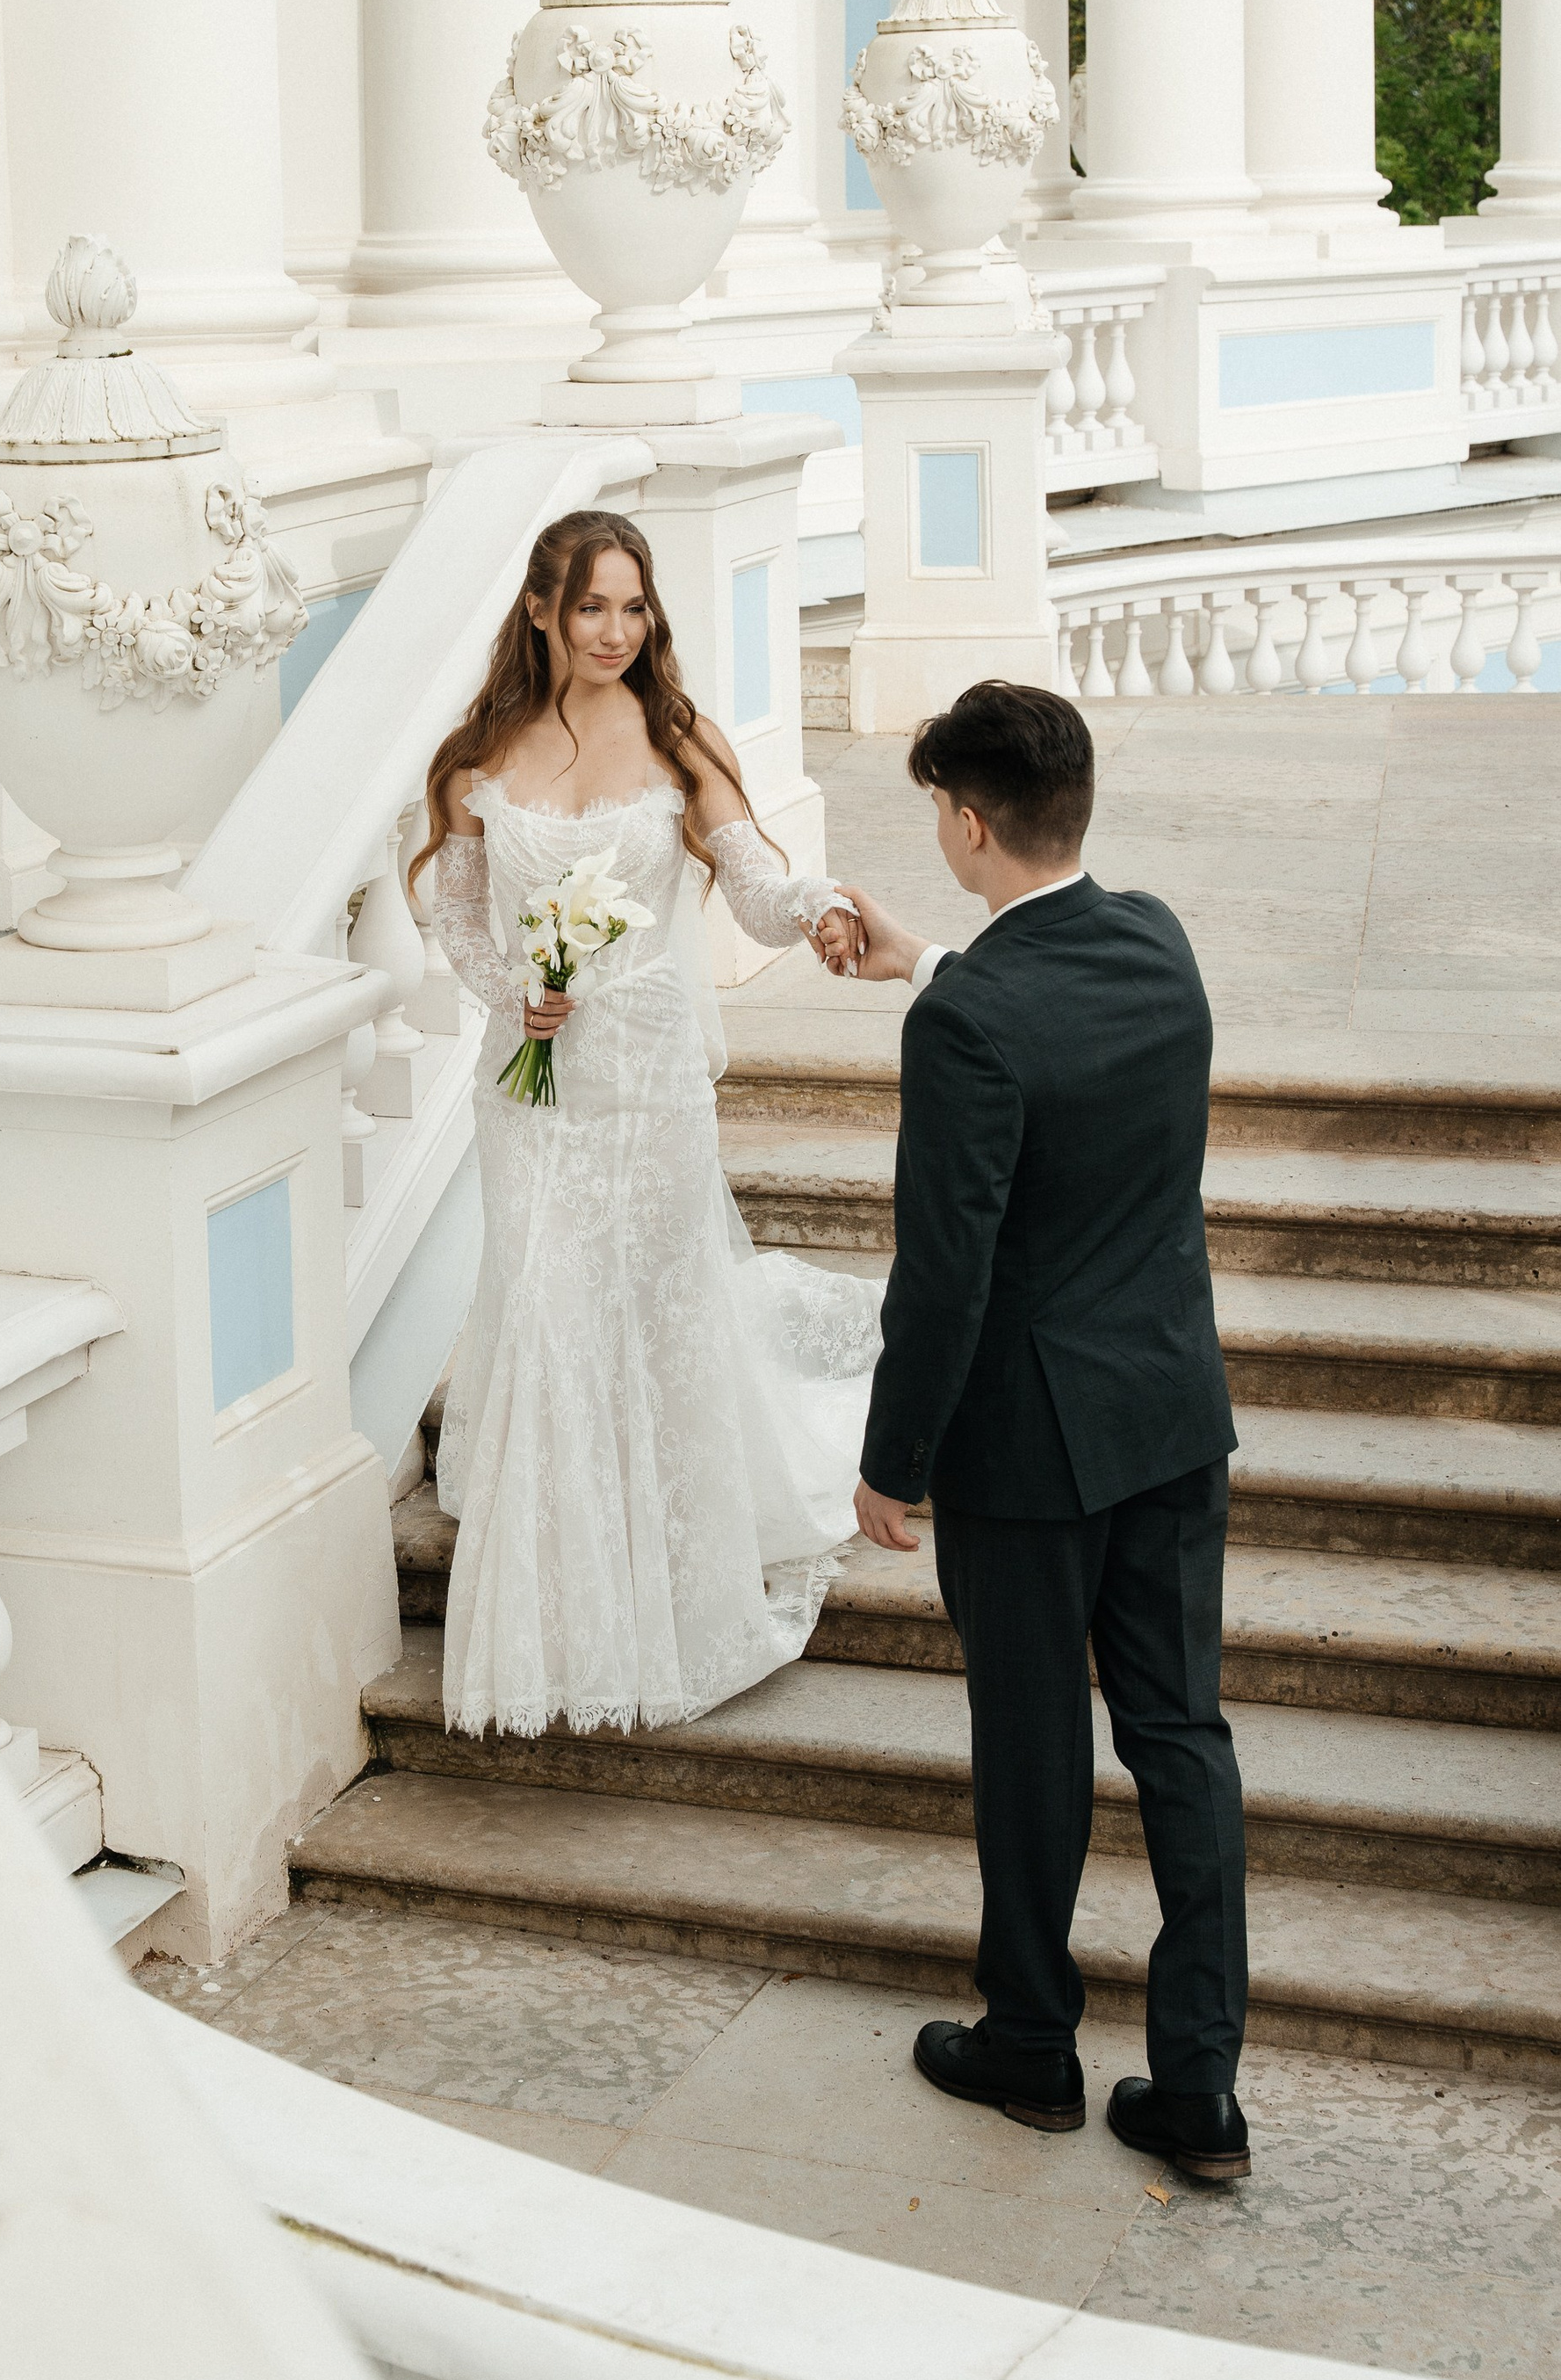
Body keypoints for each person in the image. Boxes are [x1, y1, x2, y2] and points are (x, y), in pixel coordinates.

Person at [829, 679, 1250, 2188]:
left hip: (1027, 1448)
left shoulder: (967, 1022)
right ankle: (1200, 2091)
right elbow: (1044, 1007)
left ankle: (1030, 2042)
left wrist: (894, 1460)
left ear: (964, 823)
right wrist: (925, 959)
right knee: (1183, 1738)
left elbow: (945, 1271)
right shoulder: (1157, 940)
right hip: (1171, 1414)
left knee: (1031, 1747)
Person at [415, 508, 882, 1740]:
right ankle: (556, 1596)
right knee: (549, 1303)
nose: (615, 631)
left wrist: (818, 908)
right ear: (540, 611)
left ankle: (672, 1560)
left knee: (655, 1299)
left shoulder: (678, 739)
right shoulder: (482, 753)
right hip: (536, 1084)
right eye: (590, 607)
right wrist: (511, 991)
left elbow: (754, 883)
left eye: (633, 607)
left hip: (651, 1077)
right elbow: (454, 912)